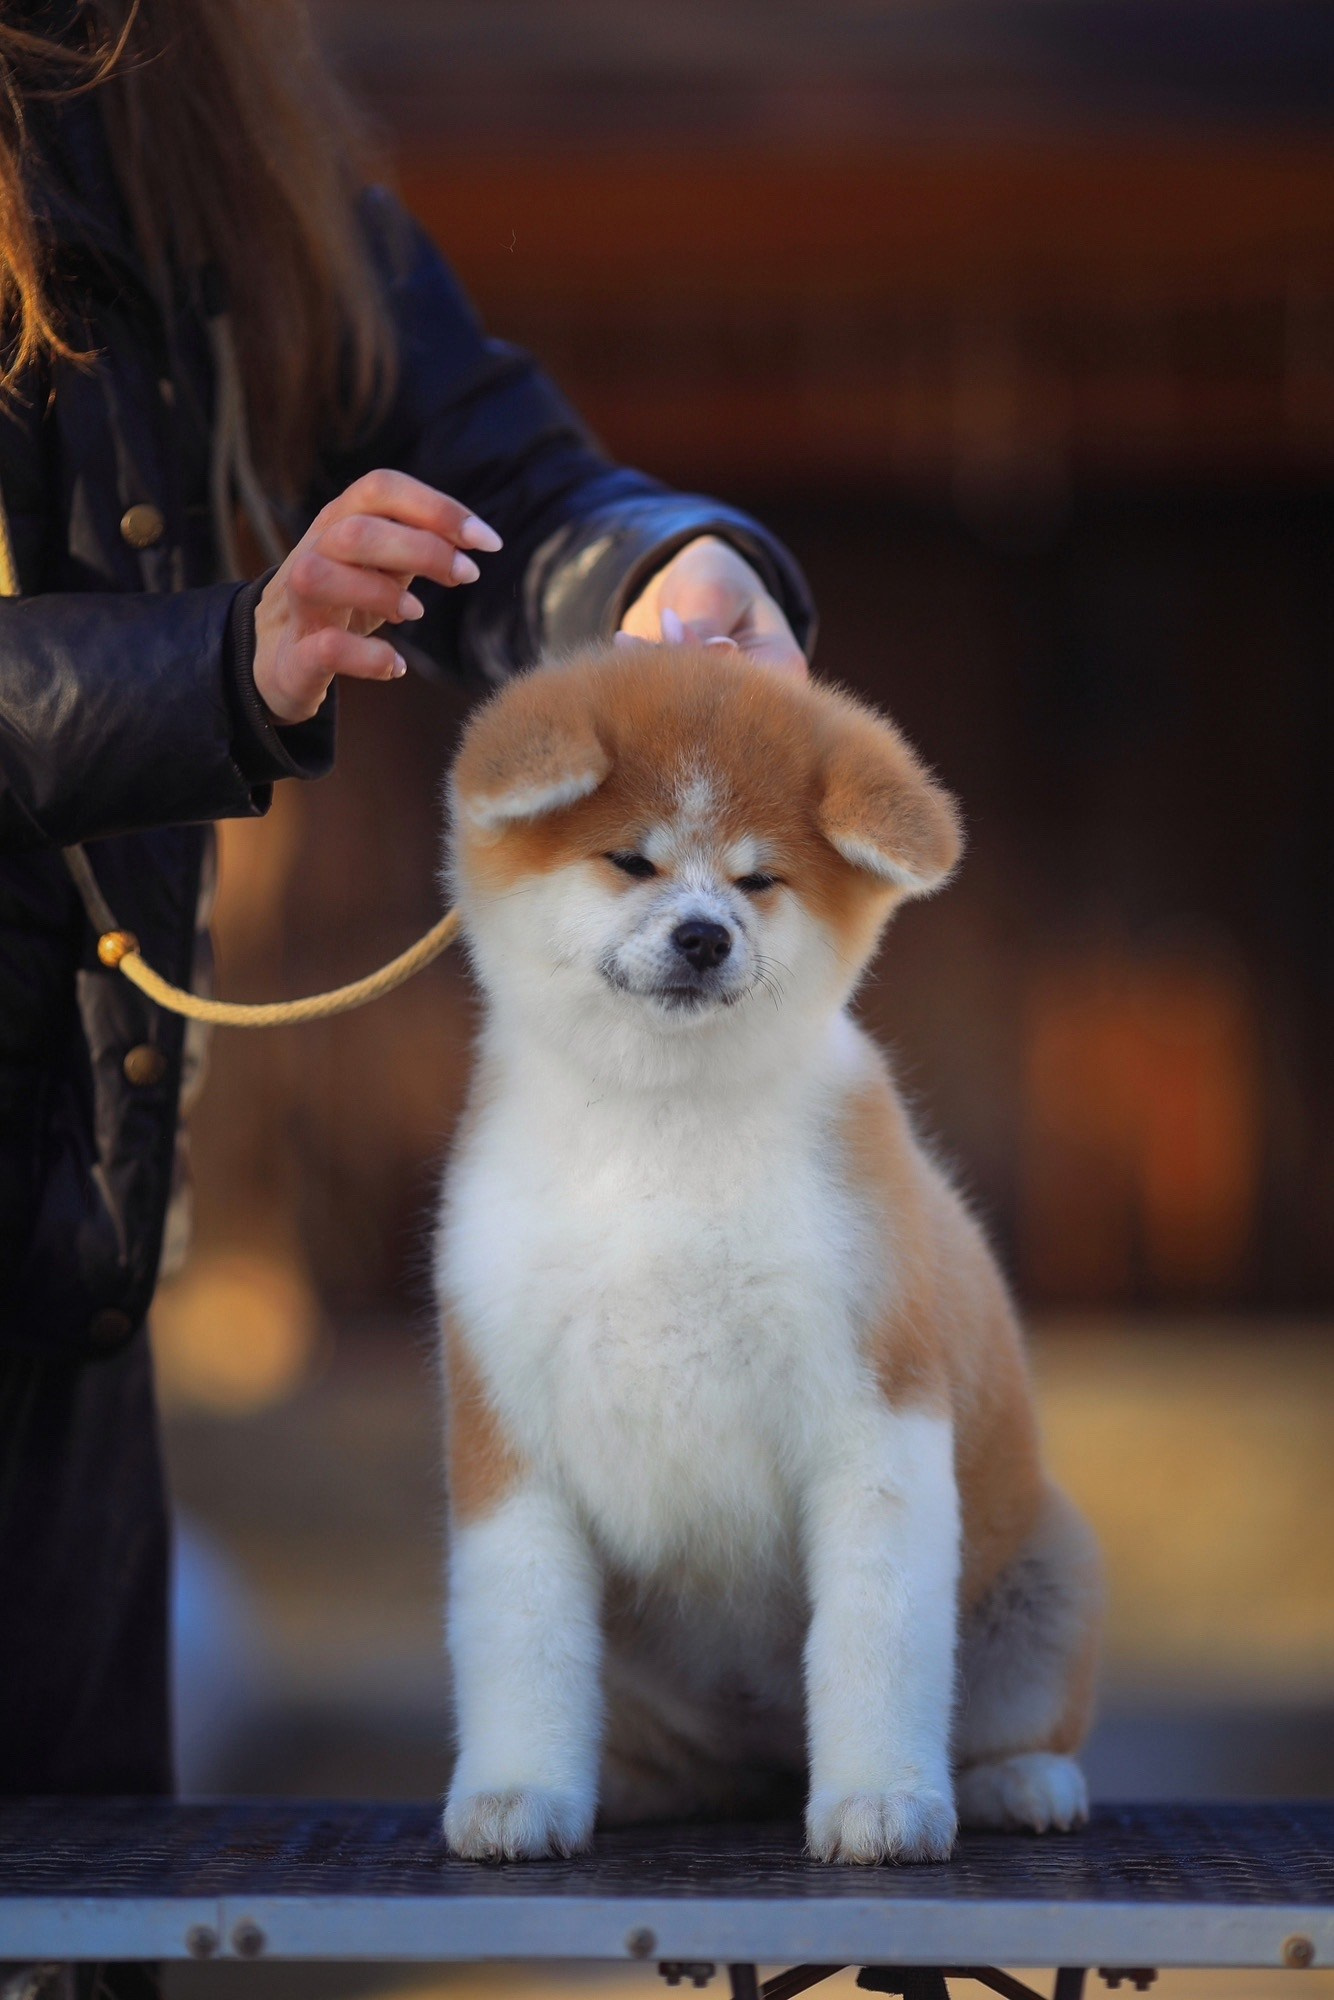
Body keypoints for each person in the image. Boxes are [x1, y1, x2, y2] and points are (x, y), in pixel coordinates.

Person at [0, 0, 814, 1811]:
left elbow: (502, 489)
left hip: (70, 1261)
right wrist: (223, 662)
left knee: (83, 1917)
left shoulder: (199, 102)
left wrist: (662, 573)